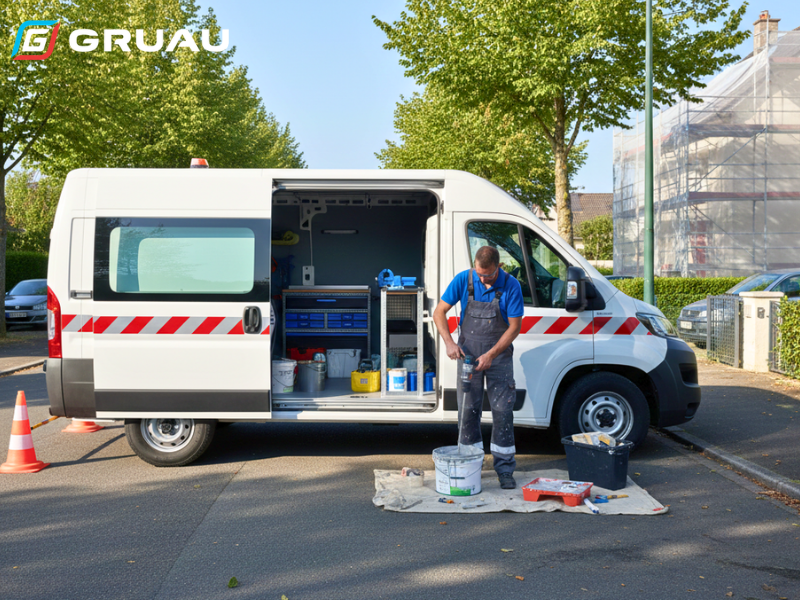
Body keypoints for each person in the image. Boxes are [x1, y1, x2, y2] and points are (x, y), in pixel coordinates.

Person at [433, 246, 523, 489]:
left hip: (499, 357)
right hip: (468, 355)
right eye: (480, 274)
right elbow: (439, 312)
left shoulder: (511, 285)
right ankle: (469, 466)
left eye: (489, 275)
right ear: (475, 266)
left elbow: (514, 327)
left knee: (502, 411)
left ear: (498, 267)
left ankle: (504, 469)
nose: (483, 279)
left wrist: (492, 354)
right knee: (468, 411)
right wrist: (449, 342)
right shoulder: (464, 279)